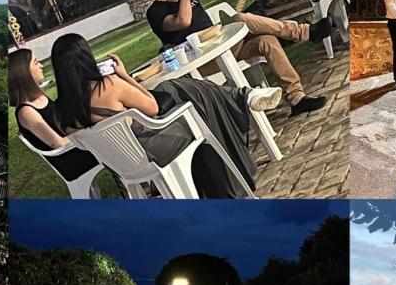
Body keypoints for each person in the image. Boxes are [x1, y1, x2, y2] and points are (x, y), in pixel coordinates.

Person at [144, 0, 330, 117]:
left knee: (268, 42)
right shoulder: (155, 12)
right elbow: (183, 21)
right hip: (204, 60)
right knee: (241, 18)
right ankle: (304, 32)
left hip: (226, 45)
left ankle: (297, 98)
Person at [51, 33, 263, 198]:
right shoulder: (108, 86)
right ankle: (241, 97)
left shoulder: (60, 112)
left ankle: (240, 96)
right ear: (85, 59)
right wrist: (124, 76)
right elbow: (152, 107)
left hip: (125, 165)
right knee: (197, 107)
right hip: (153, 149)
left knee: (172, 88)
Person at [9, 47, 106, 193]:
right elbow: (57, 143)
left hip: (76, 149)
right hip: (70, 159)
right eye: (36, 63)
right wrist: (90, 136)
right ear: (24, 72)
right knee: (114, 142)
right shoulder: (26, 111)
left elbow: (64, 123)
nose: (41, 66)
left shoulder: (40, 98)